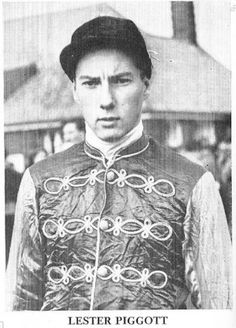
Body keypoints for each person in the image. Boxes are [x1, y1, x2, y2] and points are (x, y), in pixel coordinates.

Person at [6, 16, 231, 311]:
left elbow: (221, 308)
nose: (106, 100)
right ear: (74, 90)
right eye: (90, 83)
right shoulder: (38, 182)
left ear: (145, 85)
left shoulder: (193, 183)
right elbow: (19, 302)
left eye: (121, 80)